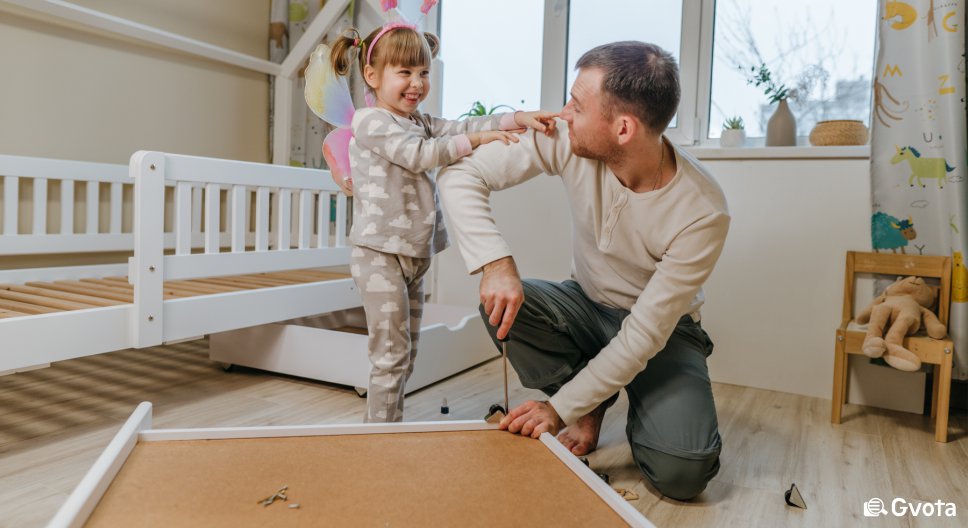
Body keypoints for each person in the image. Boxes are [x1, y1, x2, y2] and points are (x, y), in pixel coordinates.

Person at [437, 41, 730, 500]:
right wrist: (494, 261)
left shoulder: (703, 212)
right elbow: (460, 175)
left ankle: (622, 399)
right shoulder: (568, 139)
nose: (563, 114)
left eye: (577, 104)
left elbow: (644, 336)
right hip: (587, 306)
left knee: (683, 473)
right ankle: (590, 404)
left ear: (623, 128)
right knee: (504, 306)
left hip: (664, 334)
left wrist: (555, 411)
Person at [328, 22, 556, 422]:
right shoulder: (371, 122)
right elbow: (420, 156)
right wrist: (479, 143)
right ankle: (377, 440)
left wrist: (518, 118)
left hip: (414, 254)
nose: (416, 83)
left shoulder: (419, 121)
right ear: (372, 76)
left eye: (424, 73)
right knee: (390, 355)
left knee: (407, 354)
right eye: (405, 72)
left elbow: (462, 127)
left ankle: (386, 425)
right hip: (379, 253)